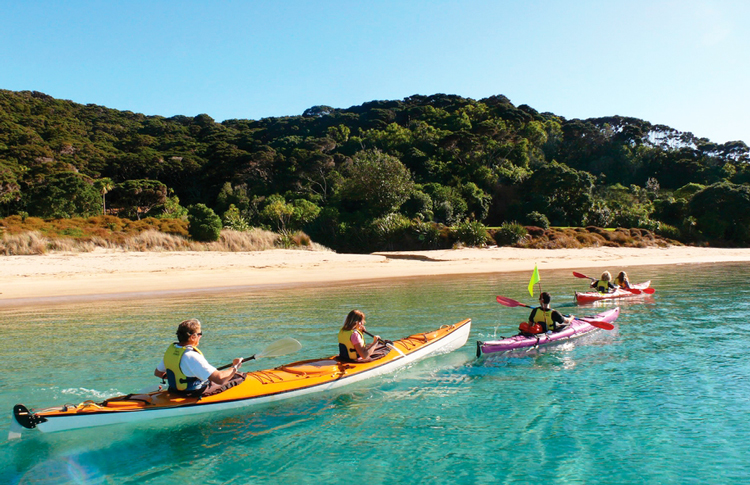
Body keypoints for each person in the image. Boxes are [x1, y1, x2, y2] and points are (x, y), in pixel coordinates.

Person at [154, 318, 244, 397]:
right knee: (239, 376)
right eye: (199, 334)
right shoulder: (192, 356)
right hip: (193, 393)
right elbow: (220, 379)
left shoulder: (172, 352)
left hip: (174, 390)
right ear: (193, 337)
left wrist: (177, 379)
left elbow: (158, 373)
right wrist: (235, 366)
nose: (200, 336)